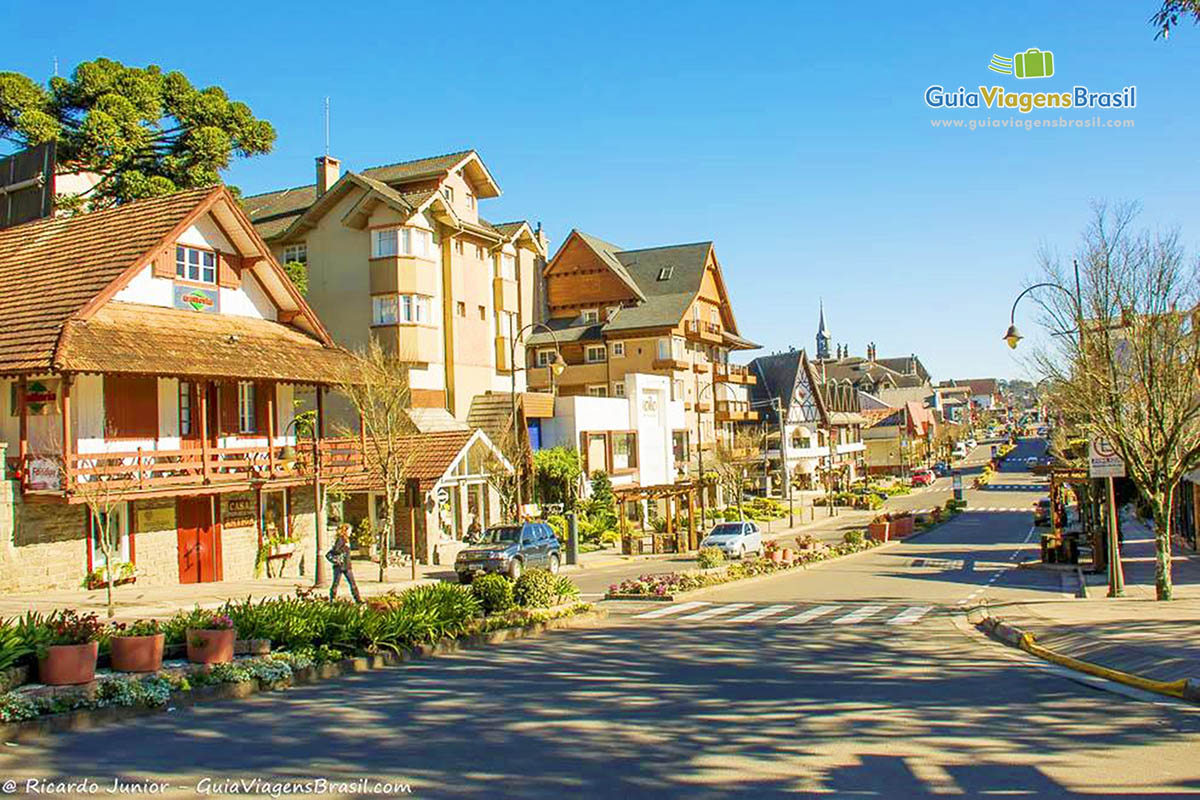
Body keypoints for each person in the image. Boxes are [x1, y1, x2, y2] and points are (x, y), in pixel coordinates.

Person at [327, 524, 362, 603]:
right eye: (349, 531)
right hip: (339, 565)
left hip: (347, 565)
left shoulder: (346, 539)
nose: (350, 532)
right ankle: (332, 599)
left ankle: (358, 599)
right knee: (336, 583)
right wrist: (344, 548)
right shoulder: (340, 539)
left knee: (352, 583)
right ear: (345, 531)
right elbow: (336, 550)